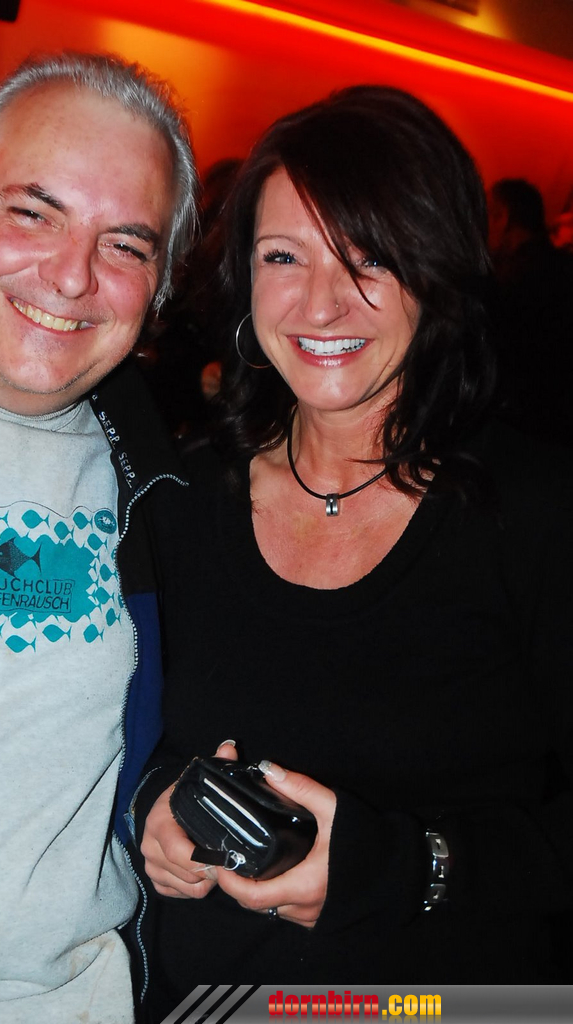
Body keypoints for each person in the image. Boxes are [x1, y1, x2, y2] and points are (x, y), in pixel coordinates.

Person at [133, 86, 573, 1016]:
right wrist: (155, 809)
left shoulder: (535, 514)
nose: (322, 302)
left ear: (437, 272)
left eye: (368, 256)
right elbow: (120, 739)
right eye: (282, 256)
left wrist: (408, 868)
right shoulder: (179, 497)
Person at [0, 51, 197, 1023]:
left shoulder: (170, 492)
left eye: (126, 245)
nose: (71, 275)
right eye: (34, 212)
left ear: (158, 286)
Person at [487, 177, 573, 444]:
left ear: (503, 217)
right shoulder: (563, 268)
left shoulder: (511, 281)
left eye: (488, 215)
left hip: (522, 429)